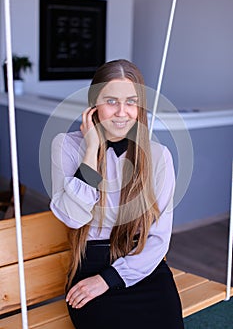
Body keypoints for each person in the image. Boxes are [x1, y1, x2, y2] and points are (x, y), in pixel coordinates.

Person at [50, 59, 184, 328]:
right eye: (111, 101)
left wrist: (109, 279)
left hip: (142, 268)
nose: (122, 112)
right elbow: (73, 218)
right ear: (93, 104)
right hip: (90, 267)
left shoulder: (158, 156)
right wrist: (91, 150)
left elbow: (158, 238)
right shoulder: (65, 146)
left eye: (131, 102)